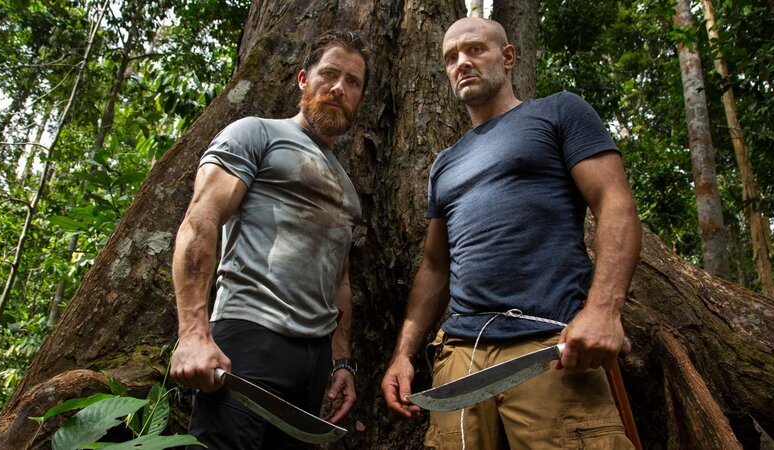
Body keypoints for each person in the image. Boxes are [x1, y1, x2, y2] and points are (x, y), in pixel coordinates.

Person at [381, 17, 642, 450]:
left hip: (549, 347)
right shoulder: (444, 164)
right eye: (451, 57)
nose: (462, 62)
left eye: (474, 50)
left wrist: (604, 311)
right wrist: (403, 354)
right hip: (460, 360)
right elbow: (434, 264)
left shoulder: (559, 111)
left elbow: (614, 204)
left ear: (507, 57)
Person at [169, 30, 369, 450]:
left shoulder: (348, 188)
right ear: (302, 79)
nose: (339, 88)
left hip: (313, 362)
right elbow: (200, 219)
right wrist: (193, 334)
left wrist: (341, 362)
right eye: (329, 74)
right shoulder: (256, 134)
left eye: (352, 82)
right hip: (248, 337)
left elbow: (340, 280)